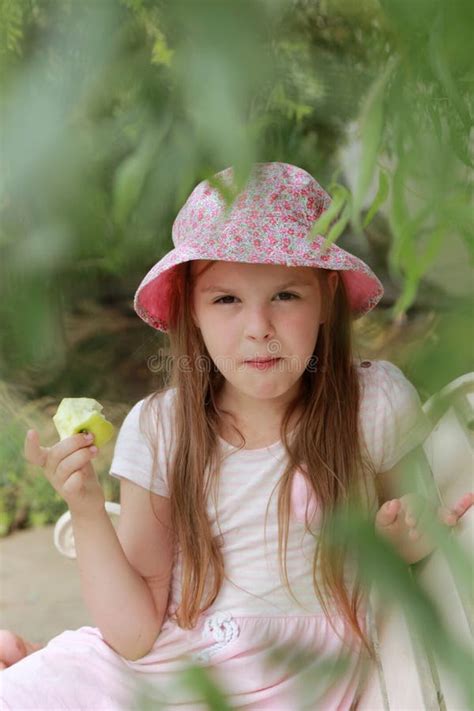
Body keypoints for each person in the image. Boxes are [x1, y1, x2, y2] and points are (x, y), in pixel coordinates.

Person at [1, 162, 472, 710]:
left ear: (325, 298)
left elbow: (411, 524)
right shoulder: (161, 428)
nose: (258, 327)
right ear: (191, 311)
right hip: (159, 667)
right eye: (226, 299)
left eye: (286, 296)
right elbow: (132, 637)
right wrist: (83, 505)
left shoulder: (372, 406)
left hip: (289, 679)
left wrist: (401, 546)